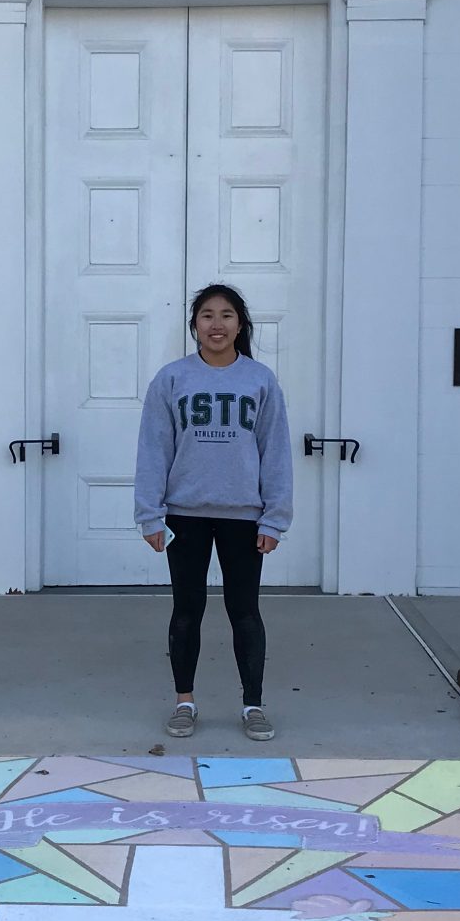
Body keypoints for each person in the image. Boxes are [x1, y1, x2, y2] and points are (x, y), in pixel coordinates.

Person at [133, 282, 293, 741]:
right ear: (194, 325)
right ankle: (185, 702)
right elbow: (153, 449)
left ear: (240, 324)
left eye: (226, 315)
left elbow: (276, 452)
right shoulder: (171, 379)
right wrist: (150, 514)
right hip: (185, 515)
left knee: (245, 612)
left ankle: (253, 705)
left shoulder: (260, 380)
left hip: (245, 517)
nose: (216, 324)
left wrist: (275, 518)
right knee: (187, 610)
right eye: (207, 315)